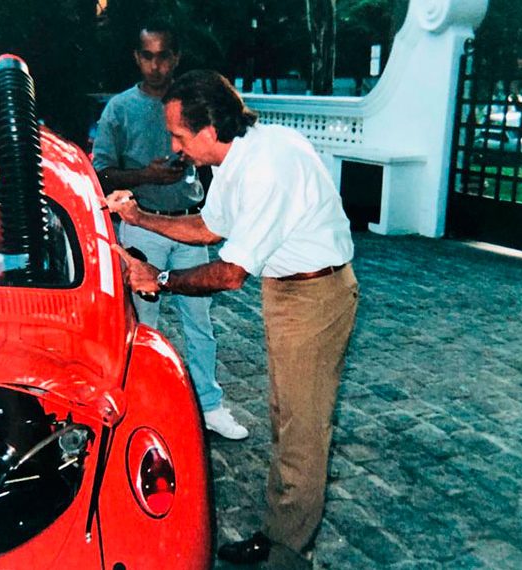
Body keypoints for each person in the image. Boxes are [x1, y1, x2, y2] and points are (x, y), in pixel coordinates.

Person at [105, 70, 358, 570]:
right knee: (286, 418)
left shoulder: (267, 166)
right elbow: (208, 227)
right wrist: (139, 219)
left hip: (316, 295)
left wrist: (158, 278)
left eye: (179, 136)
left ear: (208, 130)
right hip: (287, 288)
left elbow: (229, 273)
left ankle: (287, 555)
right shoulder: (234, 157)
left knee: (302, 432)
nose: (174, 148)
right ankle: (279, 533)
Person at [92, 23, 248, 440]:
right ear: (136, 57)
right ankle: (147, 408)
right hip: (140, 227)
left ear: (176, 57)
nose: (156, 65)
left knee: (200, 323)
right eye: (148, 55)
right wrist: (147, 175)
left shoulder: (191, 103)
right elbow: (99, 171)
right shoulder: (120, 108)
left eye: (164, 56)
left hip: (190, 226)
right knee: (143, 323)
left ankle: (209, 406)